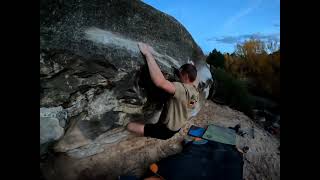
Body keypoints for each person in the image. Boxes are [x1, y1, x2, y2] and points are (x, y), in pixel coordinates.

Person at [126, 42, 199, 140]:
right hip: (177, 125)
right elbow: (194, 77)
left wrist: (148, 54)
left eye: (180, 73)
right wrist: (192, 66)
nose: (178, 75)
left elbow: (160, 82)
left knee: (130, 126)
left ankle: (133, 132)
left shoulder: (181, 89)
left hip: (165, 130)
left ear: (185, 75)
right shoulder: (195, 91)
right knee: (166, 93)